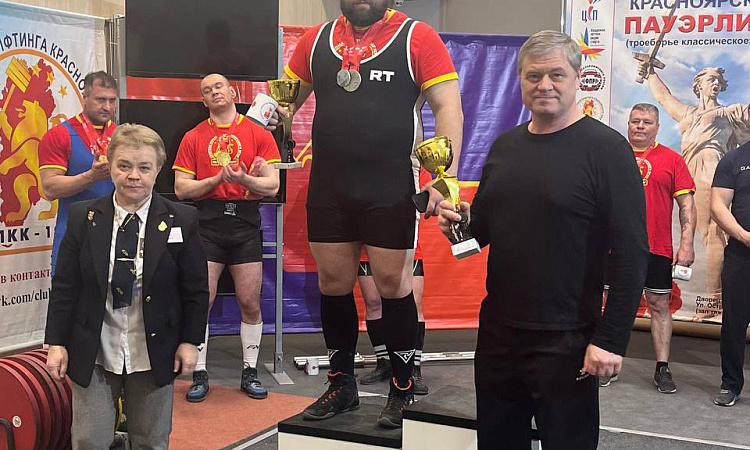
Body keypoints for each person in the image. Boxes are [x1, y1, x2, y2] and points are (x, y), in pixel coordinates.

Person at [438, 30, 648, 449]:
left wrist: (610, 339)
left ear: (577, 79)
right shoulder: (505, 147)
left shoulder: (607, 150)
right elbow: (484, 230)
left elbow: (631, 253)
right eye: (533, 76)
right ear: (520, 79)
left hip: (568, 337)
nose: (544, 85)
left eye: (556, 75)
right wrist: (460, 225)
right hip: (498, 334)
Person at [282, 0, 463, 428]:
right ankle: (341, 384)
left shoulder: (417, 37)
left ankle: (402, 389)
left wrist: (444, 179)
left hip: (390, 186)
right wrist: (267, 131)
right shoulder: (315, 40)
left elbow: (448, 109)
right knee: (333, 285)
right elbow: (282, 103)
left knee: (393, 286)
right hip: (330, 186)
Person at [44, 124, 209, 449]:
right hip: (95, 349)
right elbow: (65, 286)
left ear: (158, 170)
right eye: (124, 166)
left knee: (151, 441)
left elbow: (196, 290)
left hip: (153, 351)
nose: (134, 176)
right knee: (89, 441)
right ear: (110, 166)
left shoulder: (182, 219)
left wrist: (191, 342)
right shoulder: (82, 217)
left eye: (144, 167)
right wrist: (57, 342)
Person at [173, 73, 280, 402]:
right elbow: (181, 189)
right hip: (207, 225)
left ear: (233, 92)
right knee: (201, 300)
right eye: (207, 90)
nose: (214, 92)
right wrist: (216, 179)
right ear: (203, 100)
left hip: (246, 225)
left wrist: (244, 179)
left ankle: (250, 371)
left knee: (249, 301)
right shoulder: (193, 137)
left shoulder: (258, 133)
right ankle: (199, 372)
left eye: (218, 87)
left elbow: (273, 185)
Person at [639, 63, 750, 318]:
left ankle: (714, 301)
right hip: (687, 175)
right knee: (692, 234)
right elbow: (663, 97)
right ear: (699, 85)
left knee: (713, 233)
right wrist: (650, 71)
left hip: (710, 170)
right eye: (710, 79)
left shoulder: (728, 112)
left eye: (718, 80)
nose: (715, 83)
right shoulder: (688, 114)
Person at [600, 103, 697, 393]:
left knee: (658, 305)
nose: (640, 126)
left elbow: (687, 206)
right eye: (635, 121)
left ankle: (662, 367)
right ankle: (608, 362)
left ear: (657, 127)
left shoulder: (672, 159)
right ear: (628, 124)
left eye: (646, 122)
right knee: (611, 304)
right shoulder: (610, 156)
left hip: (656, 246)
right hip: (613, 247)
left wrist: (687, 244)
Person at [39, 71, 118, 274]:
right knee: (68, 293)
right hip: (74, 236)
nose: (107, 107)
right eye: (100, 100)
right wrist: (90, 177)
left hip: (114, 235)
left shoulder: (121, 136)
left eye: (112, 100)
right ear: (85, 97)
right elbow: (50, 189)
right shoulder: (59, 135)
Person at [710, 141, 750, 407]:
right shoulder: (734, 159)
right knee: (734, 324)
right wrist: (744, 236)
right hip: (741, 254)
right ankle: (731, 384)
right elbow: (718, 205)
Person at [358, 247, 428, 394]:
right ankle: (384, 362)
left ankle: (414, 368)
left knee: (414, 304)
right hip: (367, 251)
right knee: (373, 304)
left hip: (405, 250)